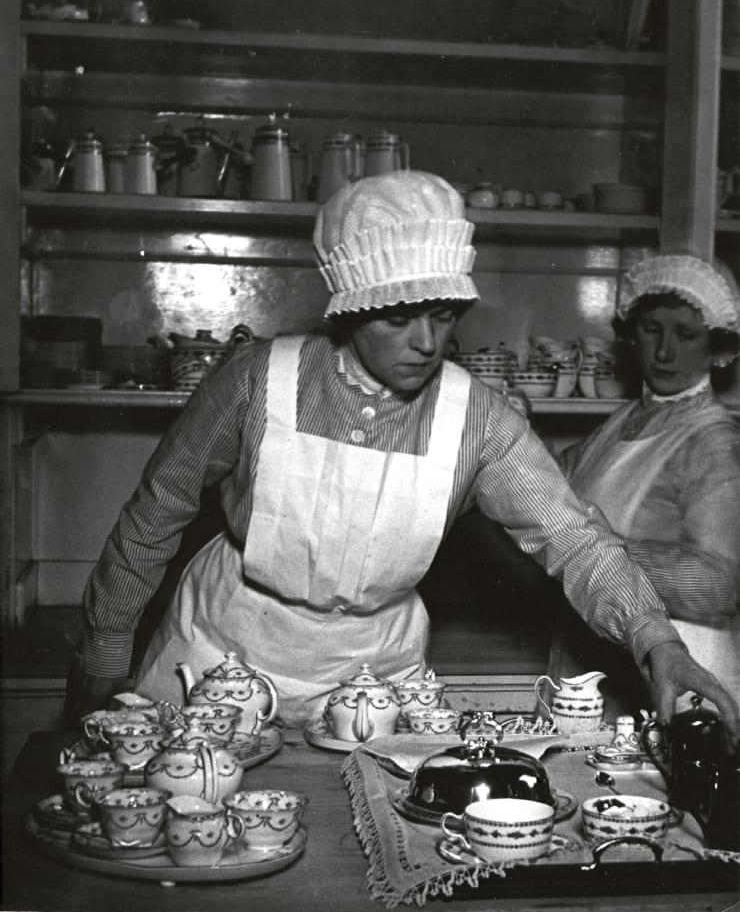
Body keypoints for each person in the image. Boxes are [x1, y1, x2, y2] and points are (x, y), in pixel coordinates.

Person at [64, 172, 739, 737]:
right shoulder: (254, 380)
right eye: (398, 317)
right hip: (217, 655)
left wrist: (660, 644)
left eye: (444, 315)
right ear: (350, 311)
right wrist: (104, 647)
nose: (426, 342)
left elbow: (577, 539)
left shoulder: (476, 418)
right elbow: (158, 511)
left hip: (375, 681)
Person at [545, 253, 740, 718]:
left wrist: (602, 553)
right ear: (632, 335)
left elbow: (718, 586)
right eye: (652, 330)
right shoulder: (624, 421)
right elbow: (549, 489)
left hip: (684, 667)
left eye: (686, 335)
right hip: (602, 657)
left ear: (716, 346)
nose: (665, 352)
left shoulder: (714, 441)